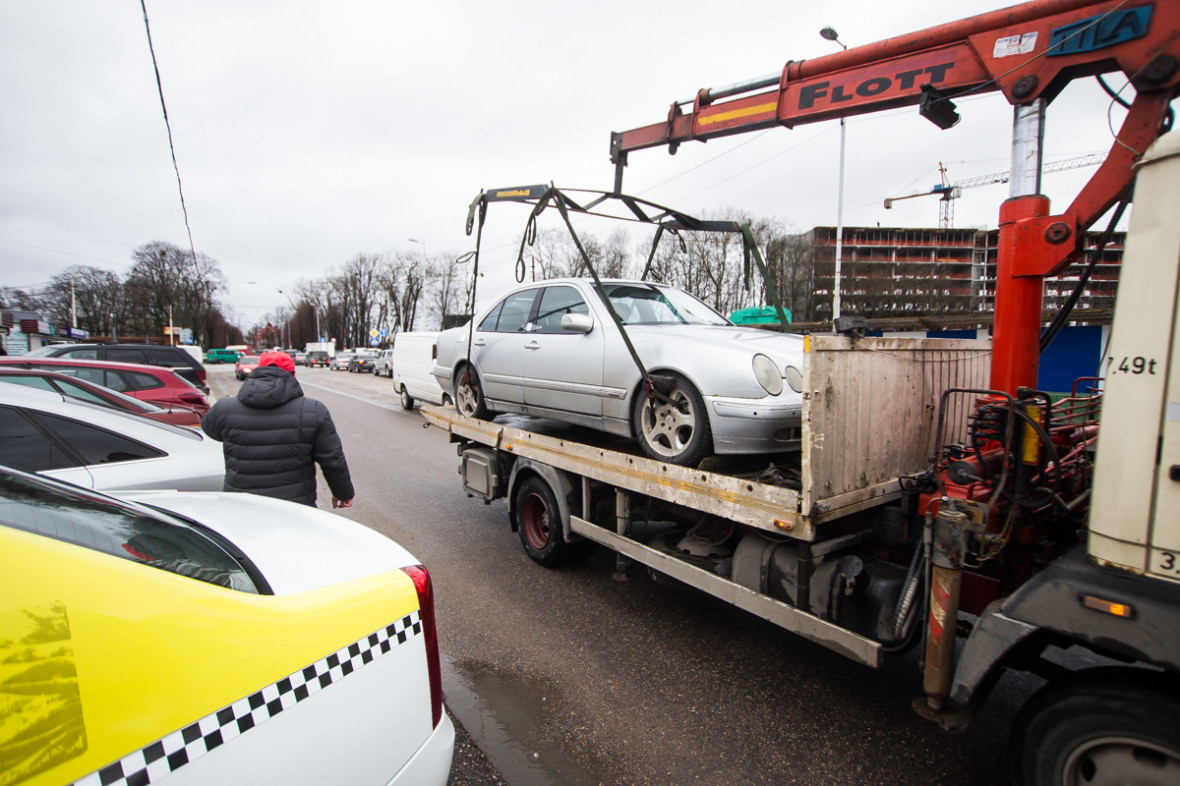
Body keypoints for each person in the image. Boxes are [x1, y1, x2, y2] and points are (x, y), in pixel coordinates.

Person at [202, 350, 354, 508]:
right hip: (295, 506)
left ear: (257, 372)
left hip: (241, 505)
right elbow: (332, 458)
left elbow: (210, 430)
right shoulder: (313, 409)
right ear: (293, 375)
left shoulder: (225, 408)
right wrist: (343, 493)